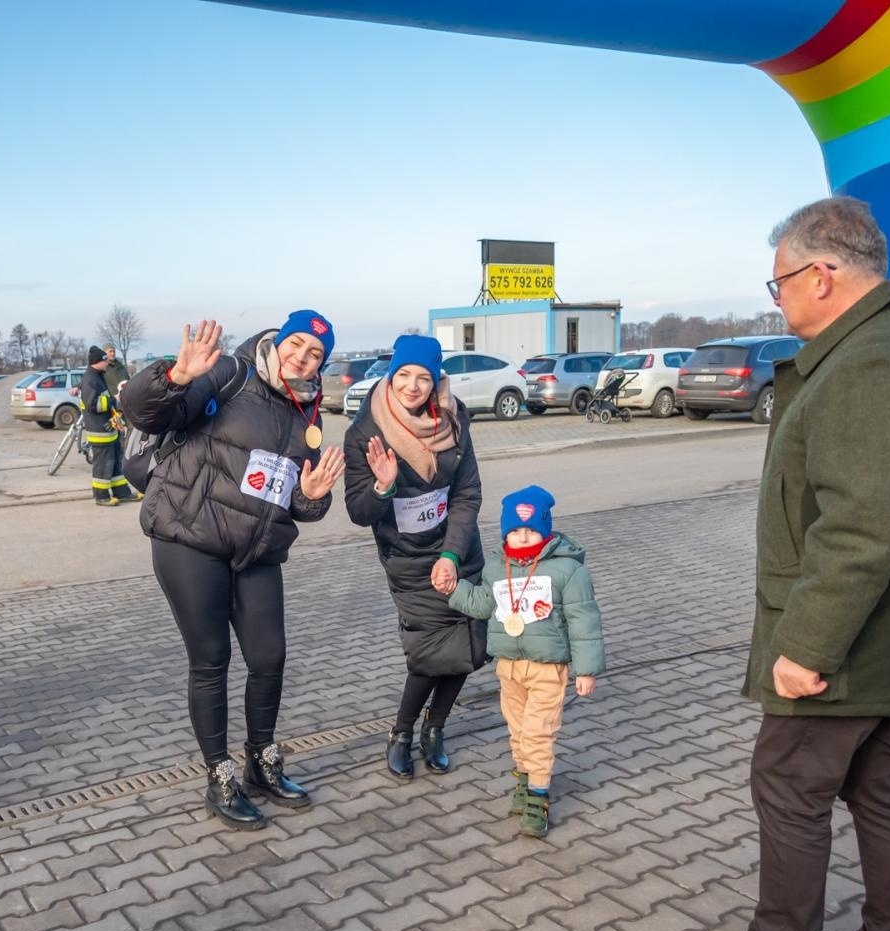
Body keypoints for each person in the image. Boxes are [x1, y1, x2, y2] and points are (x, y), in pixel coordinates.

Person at [677, 197, 890, 931]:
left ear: (821, 273)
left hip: (854, 639)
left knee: (787, 782)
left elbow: (860, 526)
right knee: (881, 787)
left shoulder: (873, 358)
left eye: (777, 286)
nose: (778, 301)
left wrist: (806, 645)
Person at [120, 311, 345, 830]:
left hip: (256, 550)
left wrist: (312, 498)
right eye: (296, 345)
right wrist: (175, 377)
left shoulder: (307, 411)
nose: (302, 358)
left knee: (270, 657)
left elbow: (293, 499)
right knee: (212, 659)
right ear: (278, 341)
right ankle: (219, 773)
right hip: (189, 536)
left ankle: (262, 760)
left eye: (315, 354)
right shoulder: (231, 374)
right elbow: (148, 414)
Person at [343, 335, 487, 780]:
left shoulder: (454, 418)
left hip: (458, 549)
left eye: (423, 376)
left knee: (469, 642)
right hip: (407, 557)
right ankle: (402, 732)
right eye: (403, 374)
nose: (412, 386)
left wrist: (451, 553)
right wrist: (383, 486)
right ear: (391, 374)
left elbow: (467, 493)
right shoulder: (365, 432)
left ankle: (436, 728)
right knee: (430, 650)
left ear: (435, 379)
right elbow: (358, 511)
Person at [447, 486, 603, 837]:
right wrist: (452, 589)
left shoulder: (567, 571)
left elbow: (584, 621)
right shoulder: (495, 568)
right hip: (509, 666)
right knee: (517, 731)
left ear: (545, 530)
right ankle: (524, 778)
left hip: (549, 667)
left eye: (530, 530)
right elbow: (482, 604)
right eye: (515, 531)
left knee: (537, 732)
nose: (522, 536)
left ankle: (538, 795)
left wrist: (586, 669)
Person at [78, 346, 139, 505]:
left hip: (108, 428)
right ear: (97, 362)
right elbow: (93, 404)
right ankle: (101, 496)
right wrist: (114, 399)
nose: (107, 363)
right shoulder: (90, 379)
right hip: (99, 430)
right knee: (103, 464)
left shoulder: (98, 376)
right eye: (104, 360)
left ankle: (122, 493)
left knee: (115, 462)